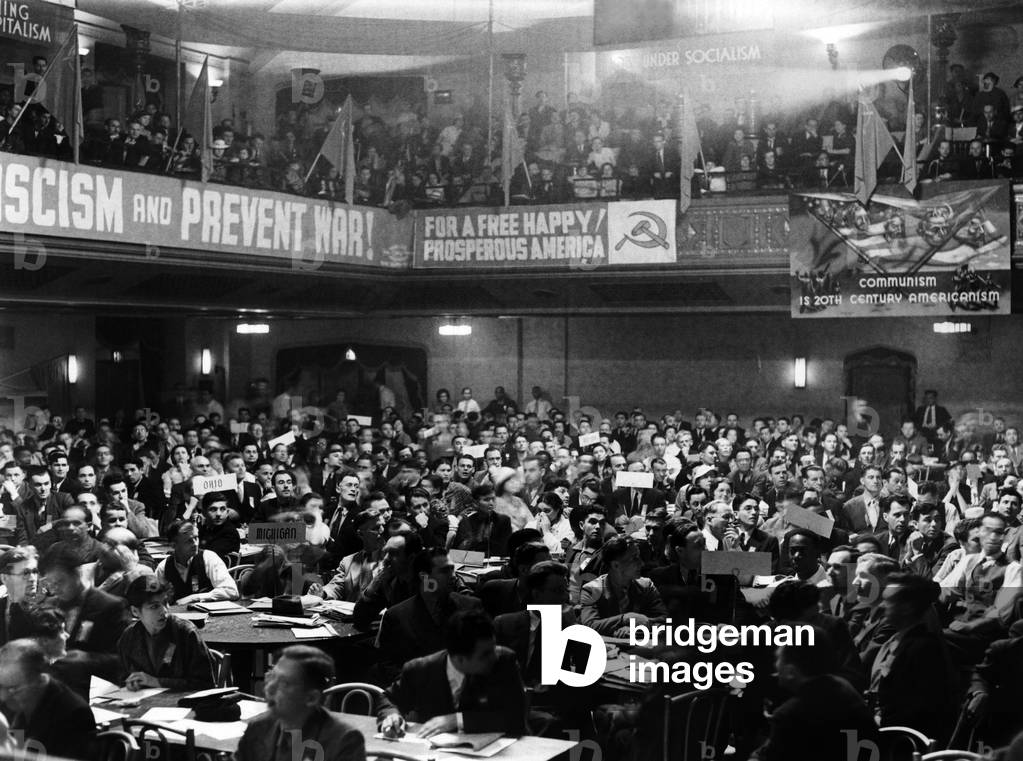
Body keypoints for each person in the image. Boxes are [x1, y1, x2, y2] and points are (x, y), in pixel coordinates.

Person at [378, 609, 528, 738]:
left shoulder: (504, 662)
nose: (494, 656)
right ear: (460, 659)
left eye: (494, 648)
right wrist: (391, 716)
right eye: (485, 654)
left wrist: (457, 720)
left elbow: (515, 717)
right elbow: (389, 699)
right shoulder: (420, 669)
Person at [753, 627, 877, 761]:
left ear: (791, 671)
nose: (776, 666)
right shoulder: (843, 687)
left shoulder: (790, 714)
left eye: (778, 659)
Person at [235, 645, 365, 761]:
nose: (269, 688)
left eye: (284, 683)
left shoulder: (344, 740)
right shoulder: (258, 728)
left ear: (311, 698)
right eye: (272, 677)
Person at [39, 545, 128, 681]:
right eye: (49, 584)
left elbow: (123, 659)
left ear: (77, 573)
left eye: (59, 582)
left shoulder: (110, 606)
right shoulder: (48, 605)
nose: (54, 589)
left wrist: (87, 658)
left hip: (93, 686)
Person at [0, 639, 96, 760]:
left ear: (40, 679)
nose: (3, 697)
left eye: (13, 689)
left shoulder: (74, 714)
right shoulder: (8, 701)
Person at [118, 576, 217, 692]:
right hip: (144, 703)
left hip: (183, 705)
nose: (164, 611)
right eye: (154, 606)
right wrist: (130, 683)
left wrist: (156, 682)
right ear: (135, 611)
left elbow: (205, 684)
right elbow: (122, 677)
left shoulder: (185, 633)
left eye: (165, 603)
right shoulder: (129, 637)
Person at [155, 520, 239, 604]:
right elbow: (153, 598)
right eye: (189, 541)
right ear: (173, 545)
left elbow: (231, 591)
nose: (195, 544)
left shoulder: (208, 558)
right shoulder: (163, 567)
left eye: (196, 538)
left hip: (209, 614)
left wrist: (194, 598)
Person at [0, 547, 40, 645]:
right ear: (5, 578)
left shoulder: (45, 612)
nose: (32, 578)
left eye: (34, 572)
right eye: (25, 573)